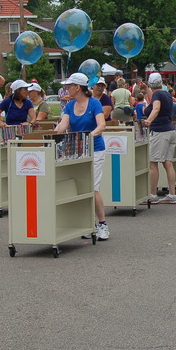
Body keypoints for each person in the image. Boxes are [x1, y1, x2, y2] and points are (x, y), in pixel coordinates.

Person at [53, 73, 109, 241]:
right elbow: (63, 125)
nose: (66, 89)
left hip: (95, 149)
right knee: (82, 187)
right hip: (76, 150)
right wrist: (51, 135)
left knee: (93, 187)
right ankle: (87, 223)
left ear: (78, 87)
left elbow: (101, 125)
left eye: (69, 86)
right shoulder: (70, 105)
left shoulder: (94, 103)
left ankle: (102, 224)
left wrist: (89, 136)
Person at [143, 72, 176, 205]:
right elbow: (155, 99)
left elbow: (156, 107)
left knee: (153, 163)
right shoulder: (166, 94)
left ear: (151, 84)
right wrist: (146, 89)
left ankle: (153, 194)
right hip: (170, 129)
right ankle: (172, 194)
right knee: (168, 163)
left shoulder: (157, 95)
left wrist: (149, 120)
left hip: (160, 131)